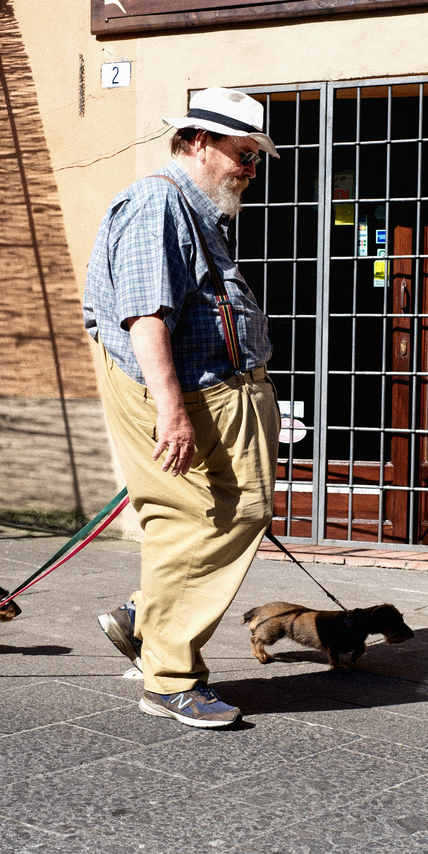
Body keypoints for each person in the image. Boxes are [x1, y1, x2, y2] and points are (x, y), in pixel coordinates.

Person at [82, 86, 281, 728]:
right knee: (199, 516)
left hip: (212, 388)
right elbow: (144, 315)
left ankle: (145, 615)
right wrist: (171, 410)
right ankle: (168, 676)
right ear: (199, 142)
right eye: (242, 155)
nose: (250, 170)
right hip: (189, 391)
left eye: (256, 158)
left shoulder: (194, 210)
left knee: (219, 512)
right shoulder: (158, 201)